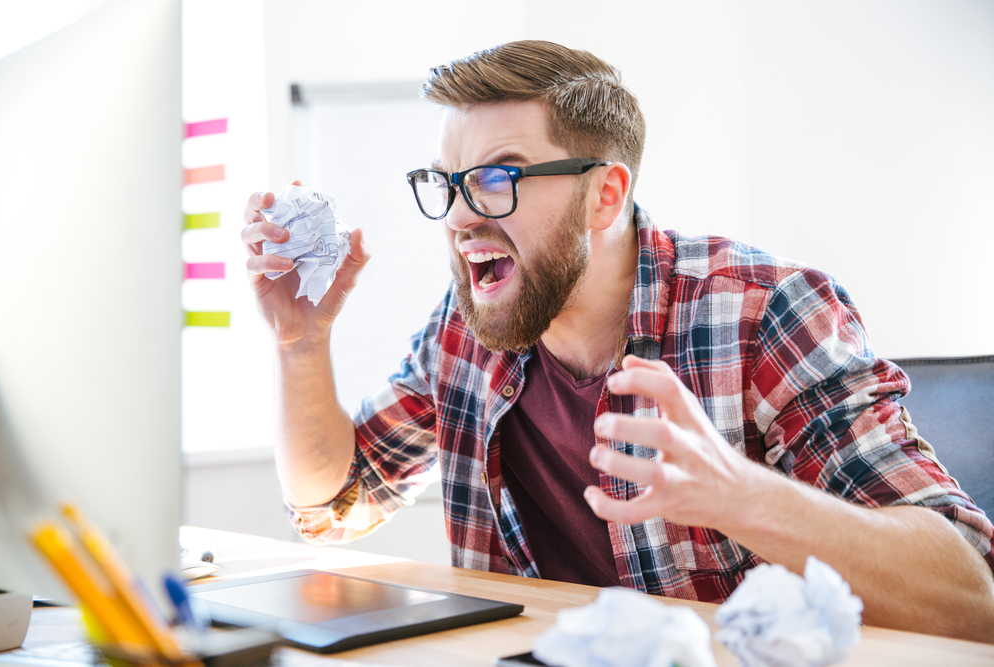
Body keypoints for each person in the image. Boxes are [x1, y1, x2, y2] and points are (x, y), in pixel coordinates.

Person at [240, 41, 994, 642]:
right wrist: (300, 345)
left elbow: (971, 598)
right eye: (447, 183)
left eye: (499, 178)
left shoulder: (764, 313)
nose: (461, 217)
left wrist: (743, 496)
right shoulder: (466, 330)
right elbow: (336, 500)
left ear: (605, 194)